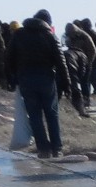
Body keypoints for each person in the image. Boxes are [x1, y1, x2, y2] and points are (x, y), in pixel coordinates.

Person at [7, 9, 76, 158]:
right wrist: (67, 83)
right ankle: (57, 148)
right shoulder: (49, 35)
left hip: (26, 80)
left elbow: (9, 58)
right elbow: (60, 61)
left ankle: (43, 149)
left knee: (35, 115)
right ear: (47, 22)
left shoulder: (18, 35)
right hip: (46, 79)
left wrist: (12, 79)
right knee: (52, 114)